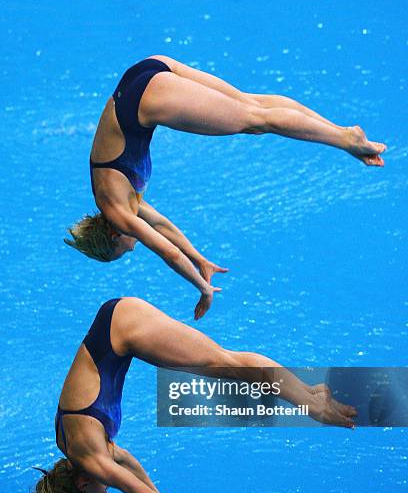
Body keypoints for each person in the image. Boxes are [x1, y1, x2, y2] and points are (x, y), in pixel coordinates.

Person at [29, 297, 357, 493]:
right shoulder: (72, 447)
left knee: (226, 364)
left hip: (122, 328)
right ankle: (309, 392)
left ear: (81, 484)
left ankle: (314, 406)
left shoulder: (93, 461)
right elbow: (130, 465)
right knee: (225, 367)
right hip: (116, 325)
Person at [64, 56, 387, 318]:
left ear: (111, 236)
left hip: (147, 98)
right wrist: (201, 260)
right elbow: (164, 228)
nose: (132, 248)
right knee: (254, 107)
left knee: (257, 120)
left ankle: (346, 140)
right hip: (147, 71)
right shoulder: (121, 200)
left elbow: (167, 252)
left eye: (123, 251)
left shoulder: (118, 212)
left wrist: (201, 288)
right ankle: (340, 132)